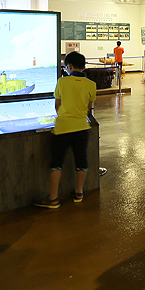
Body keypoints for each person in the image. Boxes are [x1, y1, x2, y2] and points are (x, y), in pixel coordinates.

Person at [35, 51, 96, 209]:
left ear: (69, 66)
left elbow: (57, 105)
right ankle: (79, 192)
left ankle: (53, 198)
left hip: (63, 127)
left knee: (56, 162)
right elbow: (88, 109)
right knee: (81, 160)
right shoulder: (91, 84)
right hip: (82, 127)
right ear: (83, 66)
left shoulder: (62, 82)